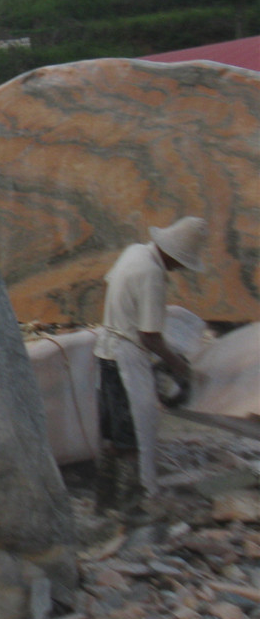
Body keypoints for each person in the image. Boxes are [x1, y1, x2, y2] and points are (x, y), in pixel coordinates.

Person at [94, 215, 205, 513]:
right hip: (126, 358)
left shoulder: (134, 252)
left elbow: (116, 288)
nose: (180, 269)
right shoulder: (153, 273)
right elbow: (150, 336)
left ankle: (104, 503)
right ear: (172, 255)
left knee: (113, 434)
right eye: (181, 263)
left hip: (105, 350)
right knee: (134, 436)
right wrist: (177, 364)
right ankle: (133, 509)